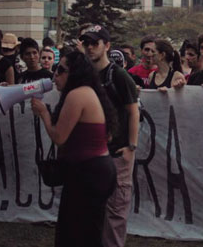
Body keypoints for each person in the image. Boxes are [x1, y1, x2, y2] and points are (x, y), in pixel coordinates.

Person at [30, 51, 117, 247]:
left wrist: (43, 113)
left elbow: (59, 137)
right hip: (94, 171)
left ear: (75, 73)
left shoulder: (77, 94)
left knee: (75, 234)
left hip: (89, 173)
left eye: (61, 70)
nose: (55, 75)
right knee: (86, 232)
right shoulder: (87, 92)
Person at [79, 25, 139, 247]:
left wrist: (131, 147)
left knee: (115, 212)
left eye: (95, 43)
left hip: (117, 152)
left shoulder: (119, 75)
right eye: (86, 43)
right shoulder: (85, 75)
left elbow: (134, 110)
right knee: (93, 208)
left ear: (107, 45)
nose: (90, 47)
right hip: (93, 153)